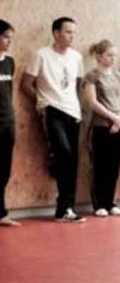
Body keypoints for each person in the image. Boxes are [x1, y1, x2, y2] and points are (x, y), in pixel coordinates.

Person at [22, 16, 86, 223]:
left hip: (73, 112)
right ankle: (64, 207)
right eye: (68, 31)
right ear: (56, 33)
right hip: (52, 110)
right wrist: (43, 102)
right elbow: (26, 84)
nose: (72, 36)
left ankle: (66, 209)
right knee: (63, 154)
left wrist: (75, 104)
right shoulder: (41, 55)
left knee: (72, 160)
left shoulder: (76, 57)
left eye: (74, 32)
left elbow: (77, 84)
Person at [84, 40, 120, 217]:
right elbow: (93, 102)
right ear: (98, 56)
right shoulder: (92, 76)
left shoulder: (119, 76)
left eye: (114, 55)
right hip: (101, 125)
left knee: (114, 166)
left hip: (118, 126)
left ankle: (111, 202)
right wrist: (112, 117)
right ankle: (99, 204)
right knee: (100, 165)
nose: (112, 58)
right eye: (109, 55)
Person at [0, 19, 19, 227]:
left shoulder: (9, 62)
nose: (9, 41)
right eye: (5, 36)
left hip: (7, 122)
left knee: (3, 169)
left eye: (10, 37)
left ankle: (1, 213)